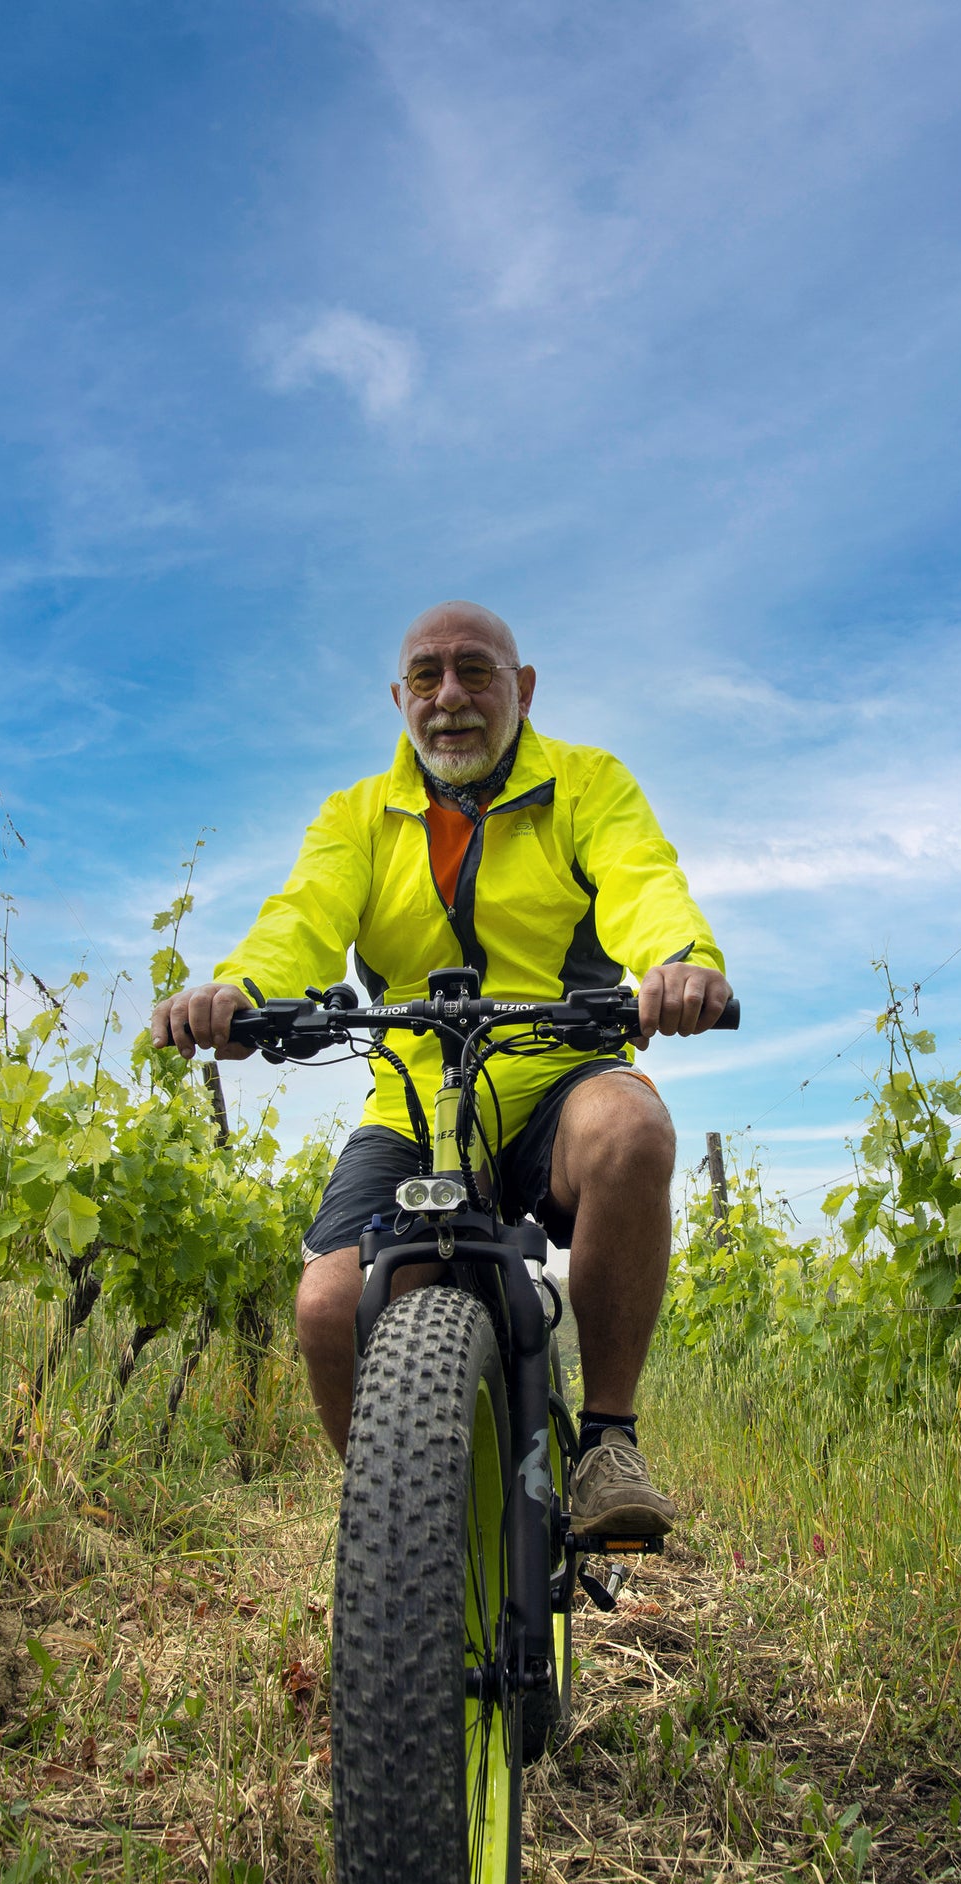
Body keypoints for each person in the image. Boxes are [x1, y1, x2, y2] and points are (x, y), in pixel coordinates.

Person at [151, 601, 732, 1537]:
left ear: (524, 688)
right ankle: (404, 1544)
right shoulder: (358, 816)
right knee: (329, 1307)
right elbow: (302, 911)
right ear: (399, 697)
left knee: (630, 1130)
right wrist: (240, 987)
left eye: (475, 671)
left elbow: (641, 876)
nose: (449, 697)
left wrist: (678, 959)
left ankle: (607, 1443)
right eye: (426, 676)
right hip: (418, 1104)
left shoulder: (586, 784)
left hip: (559, 1080)